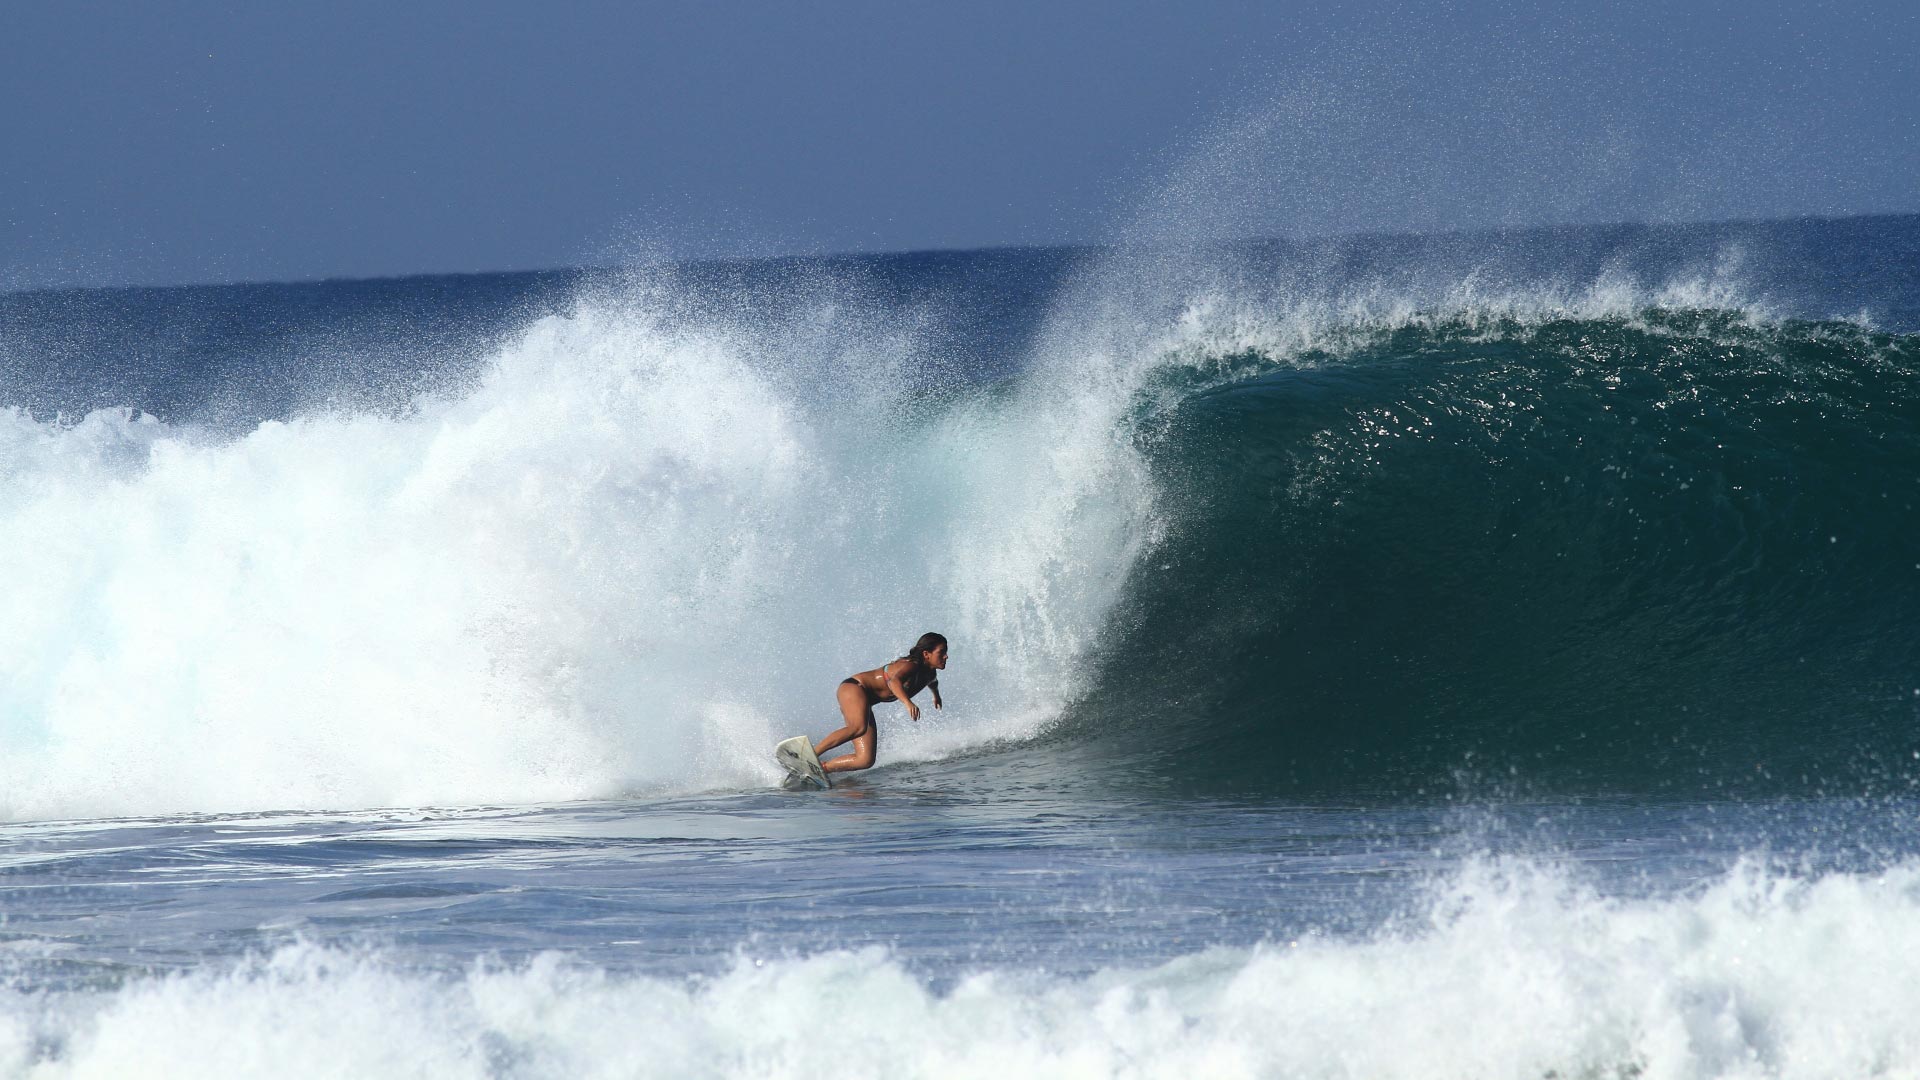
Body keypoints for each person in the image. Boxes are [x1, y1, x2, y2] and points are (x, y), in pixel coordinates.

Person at [814, 632, 948, 775]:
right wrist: (908, 703)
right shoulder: (910, 665)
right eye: (941, 652)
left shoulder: (929, 674)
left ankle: (821, 769)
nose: (946, 656)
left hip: (864, 702)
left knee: (865, 760)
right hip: (854, 688)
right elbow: (893, 682)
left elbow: (933, 682)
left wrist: (936, 696)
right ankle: (810, 754)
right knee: (858, 728)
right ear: (926, 654)